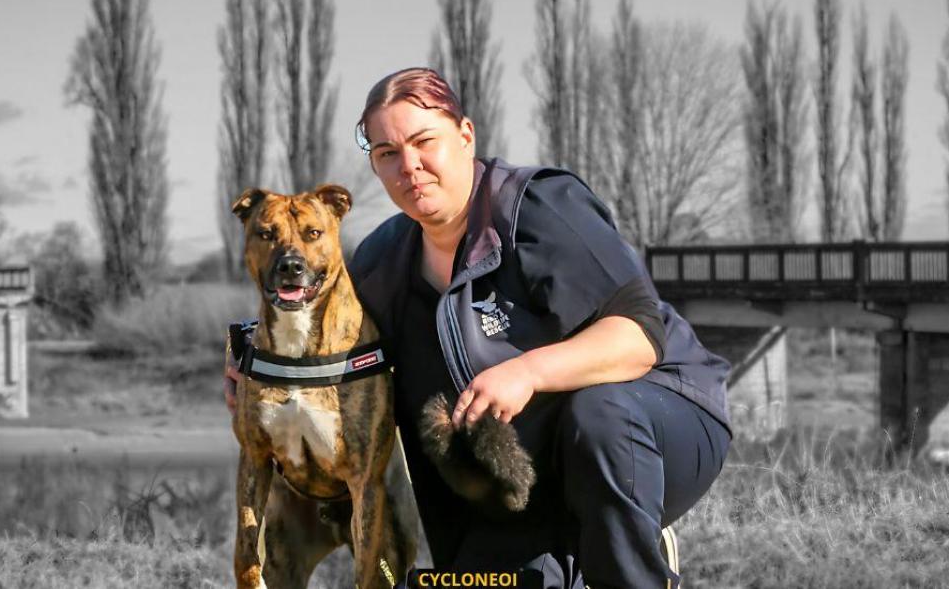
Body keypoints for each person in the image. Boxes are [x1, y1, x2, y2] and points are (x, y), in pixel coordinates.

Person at [225, 67, 732, 589]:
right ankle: (579, 552)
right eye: (387, 154)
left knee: (598, 413)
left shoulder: (539, 208)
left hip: (657, 421)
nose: (410, 166)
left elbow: (638, 337)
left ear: (465, 136)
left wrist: (528, 371)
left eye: (425, 142)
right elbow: (325, 323)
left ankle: (633, 557)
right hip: (517, 475)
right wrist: (255, 359)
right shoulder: (381, 261)